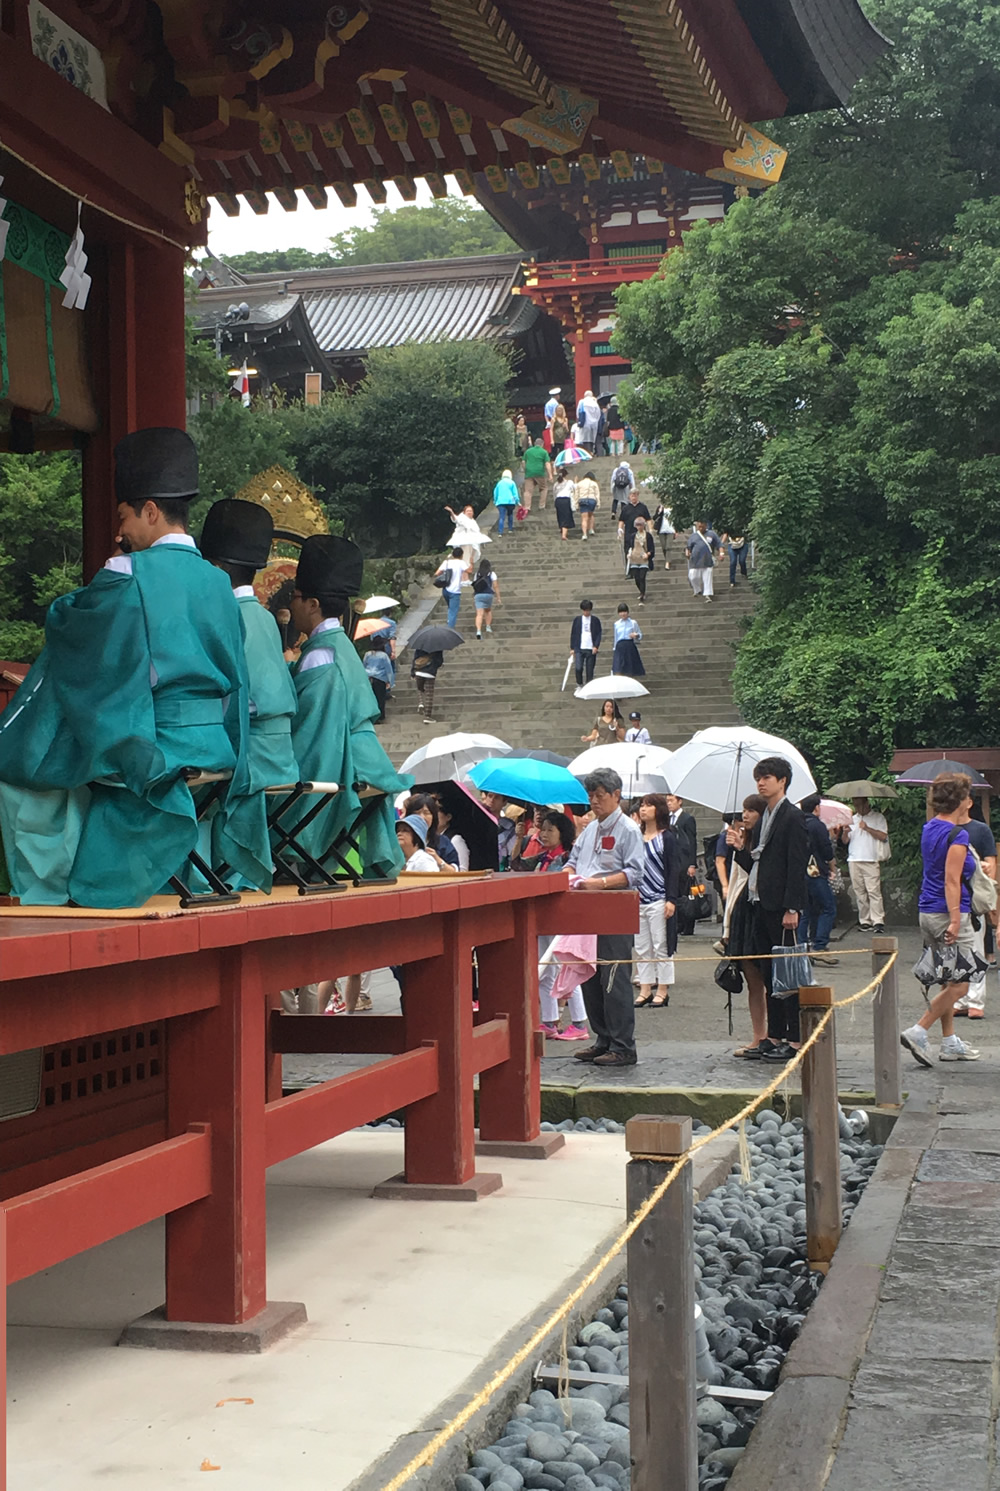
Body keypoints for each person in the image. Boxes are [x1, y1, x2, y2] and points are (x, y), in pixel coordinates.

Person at [0, 428, 257, 908]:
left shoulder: (128, 573)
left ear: (151, 511)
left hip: (154, 743)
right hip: (215, 742)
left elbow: (72, 628)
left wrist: (101, 576)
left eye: (124, 517)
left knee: (24, 764)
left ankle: (49, 890)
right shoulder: (220, 584)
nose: (121, 532)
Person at [286, 535, 411, 880]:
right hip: (368, 757)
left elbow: (310, 731)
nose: (291, 605)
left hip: (343, 761)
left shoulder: (319, 655)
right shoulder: (338, 645)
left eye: (295, 597)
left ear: (312, 603)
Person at [198, 497, 299, 887]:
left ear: (215, 566)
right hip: (281, 755)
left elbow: (233, 705)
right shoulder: (265, 619)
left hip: (249, 755)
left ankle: (198, 879)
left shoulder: (225, 618)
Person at [732, 757, 809, 1062]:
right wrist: (740, 849)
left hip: (781, 906)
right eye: (759, 778)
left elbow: (796, 865)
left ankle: (794, 1038)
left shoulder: (792, 816)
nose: (761, 783)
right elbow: (758, 864)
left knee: (787, 973)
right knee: (768, 974)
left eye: (767, 778)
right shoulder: (765, 817)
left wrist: (793, 907)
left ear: (782, 781)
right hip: (759, 902)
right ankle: (773, 1035)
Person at [901, 773, 982, 1064]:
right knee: (961, 984)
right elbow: (952, 880)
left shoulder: (930, 828)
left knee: (947, 979)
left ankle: (949, 1041)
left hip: (927, 910)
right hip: (949, 911)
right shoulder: (958, 835)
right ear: (960, 800)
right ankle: (919, 1029)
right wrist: (956, 921)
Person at [567, 768, 645, 1066]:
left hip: (614, 909)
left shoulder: (628, 829)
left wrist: (598, 883)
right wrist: (568, 875)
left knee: (615, 978)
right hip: (586, 909)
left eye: (600, 796)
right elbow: (573, 861)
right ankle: (603, 1038)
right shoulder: (590, 829)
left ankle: (624, 1045)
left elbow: (635, 872)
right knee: (590, 975)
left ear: (616, 796)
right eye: (591, 796)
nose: (595, 801)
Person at [723, 794, 770, 1059]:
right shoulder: (739, 838)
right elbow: (736, 882)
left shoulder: (765, 840)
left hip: (760, 910)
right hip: (742, 911)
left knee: (769, 980)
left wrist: (742, 849)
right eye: (744, 811)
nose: (746, 815)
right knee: (752, 980)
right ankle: (757, 1035)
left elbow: (758, 872)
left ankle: (772, 1035)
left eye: (752, 810)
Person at [953, 787, 996, 1020]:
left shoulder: (980, 830)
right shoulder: (947, 828)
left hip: (973, 897)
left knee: (977, 950)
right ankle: (959, 999)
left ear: (969, 802)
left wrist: (990, 896)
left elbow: (991, 862)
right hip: (951, 899)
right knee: (956, 951)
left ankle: (975, 1000)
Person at [633, 794, 680, 1009]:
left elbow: (673, 870)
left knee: (661, 945)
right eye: (642, 805)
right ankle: (645, 988)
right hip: (638, 898)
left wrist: (671, 898)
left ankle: (663, 989)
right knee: (642, 946)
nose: (644, 809)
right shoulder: (636, 835)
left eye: (649, 805)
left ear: (658, 809)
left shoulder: (667, 837)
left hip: (659, 898)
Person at [838, 796, 889, 934]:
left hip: (871, 858)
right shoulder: (852, 819)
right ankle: (864, 920)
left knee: (873, 891)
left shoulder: (878, 818)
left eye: (860, 805)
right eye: (855, 805)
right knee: (859, 891)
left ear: (866, 803)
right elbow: (845, 841)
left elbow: (883, 836)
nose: (858, 808)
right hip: (854, 858)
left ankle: (878, 920)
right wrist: (845, 833)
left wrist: (867, 828)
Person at [799, 792, 838, 966]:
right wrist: (831, 866)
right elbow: (826, 850)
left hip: (799, 873)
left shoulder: (797, 824)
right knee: (828, 907)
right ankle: (820, 946)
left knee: (807, 911)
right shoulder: (817, 825)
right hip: (815, 872)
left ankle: (801, 947)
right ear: (816, 808)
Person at [403, 791, 459, 871]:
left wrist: (438, 860)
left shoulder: (442, 842)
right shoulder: (401, 839)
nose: (421, 817)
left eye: (426, 813)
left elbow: (455, 872)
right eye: (416, 813)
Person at [686, 520, 723, 601]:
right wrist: (687, 553)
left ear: (706, 525)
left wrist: (721, 553)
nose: (701, 527)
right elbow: (688, 547)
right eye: (699, 526)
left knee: (707, 578)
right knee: (692, 576)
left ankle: (707, 594)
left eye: (702, 525)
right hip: (695, 561)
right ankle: (697, 589)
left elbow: (719, 544)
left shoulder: (712, 534)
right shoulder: (693, 536)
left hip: (707, 560)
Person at [435, 546, 470, 629]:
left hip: (445, 589)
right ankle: (450, 629)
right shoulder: (461, 563)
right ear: (462, 555)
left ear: (453, 554)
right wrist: (471, 562)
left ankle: (449, 621)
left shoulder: (447, 562)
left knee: (450, 608)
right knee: (453, 611)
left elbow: (437, 573)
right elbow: (469, 571)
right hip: (455, 591)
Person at [571, 599, 602, 688]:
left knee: (590, 669)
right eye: (585, 610)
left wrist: (596, 646)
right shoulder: (577, 620)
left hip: (590, 648)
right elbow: (573, 634)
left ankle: (589, 686)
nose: (586, 612)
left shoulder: (595, 620)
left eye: (588, 610)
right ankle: (579, 683)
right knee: (578, 667)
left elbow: (598, 634)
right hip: (579, 648)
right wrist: (572, 648)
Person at [362, 639, 394, 721]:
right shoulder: (384, 655)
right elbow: (388, 669)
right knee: (380, 698)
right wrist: (390, 681)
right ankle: (380, 716)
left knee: (370, 698)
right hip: (380, 678)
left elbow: (364, 665)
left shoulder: (367, 654)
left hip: (368, 678)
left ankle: (371, 715)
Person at [625, 515, 655, 604]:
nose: (639, 527)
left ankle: (643, 593)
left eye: (640, 525)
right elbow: (630, 546)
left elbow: (652, 548)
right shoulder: (633, 536)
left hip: (644, 559)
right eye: (637, 525)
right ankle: (641, 591)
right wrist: (629, 553)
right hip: (634, 558)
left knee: (642, 577)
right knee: (637, 578)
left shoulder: (648, 535)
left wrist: (648, 554)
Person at [411, 645, 443, 724]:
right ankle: (427, 716)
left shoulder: (420, 645)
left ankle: (421, 703)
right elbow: (439, 661)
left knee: (420, 688)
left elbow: (415, 659)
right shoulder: (438, 647)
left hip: (419, 671)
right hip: (430, 673)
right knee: (429, 694)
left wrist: (412, 672)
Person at [472, 557, 501, 640]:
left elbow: (474, 585)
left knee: (479, 614)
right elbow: (495, 586)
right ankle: (488, 627)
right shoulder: (491, 574)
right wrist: (498, 597)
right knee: (488, 611)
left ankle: (478, 631)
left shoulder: (477, 574)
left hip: (478, 595)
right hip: (488, 594)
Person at [612, 603, 644, 677]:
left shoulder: (633, 623)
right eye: (621, 612)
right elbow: (616, 637)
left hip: (629, 645)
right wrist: (615, 648)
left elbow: (640, 635)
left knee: (629, 669)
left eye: (624, 612)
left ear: (628, 612)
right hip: (619, 647)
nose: (623, 614)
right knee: (618, 669)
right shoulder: (616, 624)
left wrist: (636, 635)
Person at [522, 437, 553, 511]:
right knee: (544, 488)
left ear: (534, 444)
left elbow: (523, 462)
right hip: (540, 473)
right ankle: (541, 505)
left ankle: (527, 507)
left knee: (528, 491)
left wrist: (525, 470)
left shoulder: (528, 451)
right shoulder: (544, 452)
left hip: (529, 473)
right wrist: (550, 475)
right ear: (542, 444)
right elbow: (547, 464)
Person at [493, 468, 520, 537]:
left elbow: (495, 493)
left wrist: (495, 501)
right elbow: (515, 493)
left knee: (501, 516)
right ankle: (510, 529)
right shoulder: (512, 482)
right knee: (510, 514)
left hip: (500, 502)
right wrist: (517, 501)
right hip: (510, 502)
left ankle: (500, 532)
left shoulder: (499, 483)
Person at [575, 469, 601, 539]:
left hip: (582, 500)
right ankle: (591, 529)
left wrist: (576, 504)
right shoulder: (594, 483)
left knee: (584, 518)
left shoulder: (579, 483)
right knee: (591, 515)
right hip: (592, 500)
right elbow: (597, 494)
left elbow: (576, 494)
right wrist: (598, 502)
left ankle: (584, 534)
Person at [652, 499, 675, 569]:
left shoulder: (673, 508)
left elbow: (676, 520)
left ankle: (667, 563)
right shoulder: (660, 507)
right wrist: (659, 512)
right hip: (661, 530)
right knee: (664, 547)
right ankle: (668, 559)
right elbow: (654, 517)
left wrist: (676, 530)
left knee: (668, 547)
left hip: (671, 530)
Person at [553, 471, 576, 539]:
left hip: (558, 500)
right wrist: (575, 481)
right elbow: (574, 488)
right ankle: (564, 535)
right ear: (565, 476)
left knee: (560, 515)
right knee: (566, 516)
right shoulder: (569, 482)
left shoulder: (556, 484)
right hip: (565, 500)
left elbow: (554, 494)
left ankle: (562, 529)